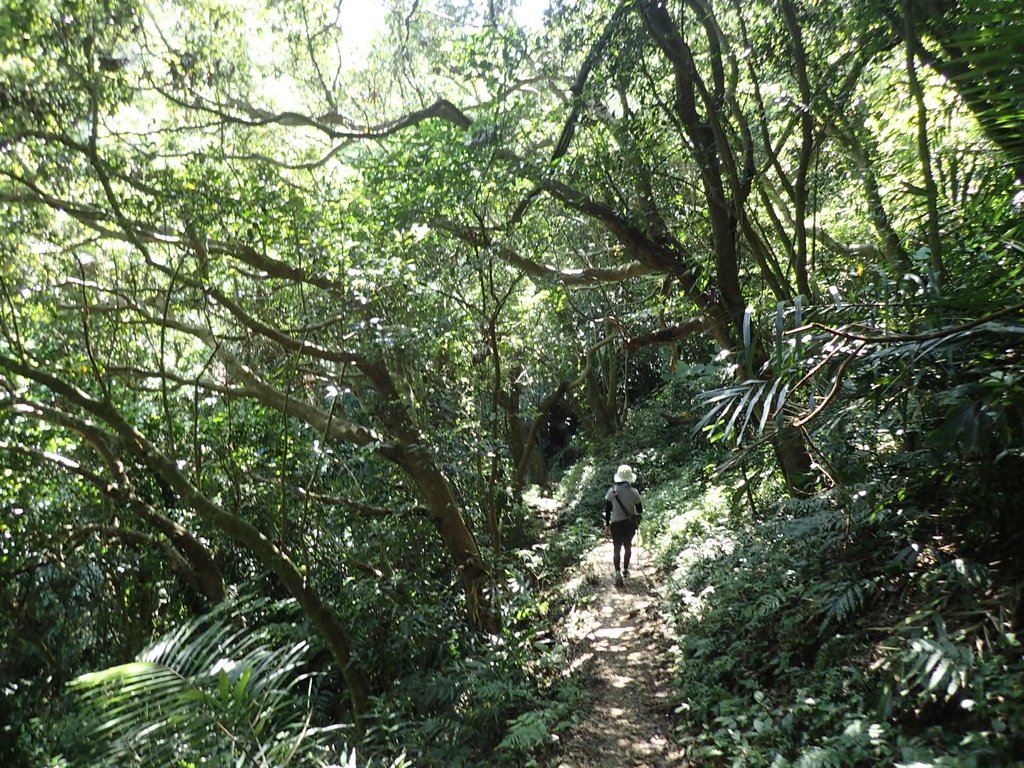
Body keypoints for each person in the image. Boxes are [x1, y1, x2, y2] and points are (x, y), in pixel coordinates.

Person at [603, 464, 643, 587]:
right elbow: (640, 510)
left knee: (616, 548)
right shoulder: (634, 492)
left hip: (616, 524)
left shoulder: (612, 491)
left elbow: (607, 510)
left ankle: (617, 572)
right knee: (627, 547)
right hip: (629, 524)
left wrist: (607, 524)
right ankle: (625, 569)